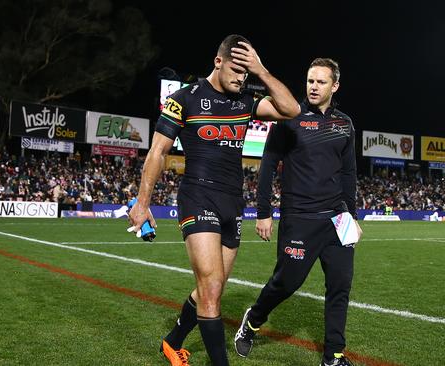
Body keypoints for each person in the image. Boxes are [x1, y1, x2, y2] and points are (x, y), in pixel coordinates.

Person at [128, 34, 300, 366]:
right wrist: (142, 202)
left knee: (215, 288)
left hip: (233, 203)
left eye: (245, 73)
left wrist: (261, 71)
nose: (241, 78)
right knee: (209, 289)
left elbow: (291, 110)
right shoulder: (183, 99)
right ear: (217, 62)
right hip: (197, 196)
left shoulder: (245, 102)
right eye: (236, 70)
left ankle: (172, 342)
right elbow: (157, 152)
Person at [234, 58, 362, 366]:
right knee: (286, 283)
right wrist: (263, 212)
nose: (314, 87)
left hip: (337, 218)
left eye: (320, 82)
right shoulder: (289, 116)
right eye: (310, 81)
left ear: (335, 86)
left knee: (340, 287)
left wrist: (352, 216)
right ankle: (253, 319)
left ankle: (333, 355)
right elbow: (267, 166)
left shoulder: (344, 123)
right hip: (299, 219)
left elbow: (349, 173)